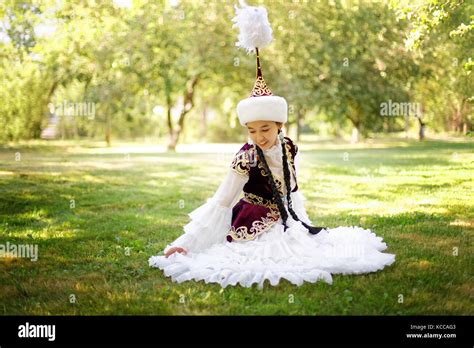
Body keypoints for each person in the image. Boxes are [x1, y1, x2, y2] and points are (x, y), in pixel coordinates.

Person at [148, 1, 395, 288]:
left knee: (307, 249)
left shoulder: (288, 147)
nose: (259, 136)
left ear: (279, 125)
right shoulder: (246, 157)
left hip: (285, 220)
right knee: (265, 257)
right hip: (253, 223)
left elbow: (292, 192)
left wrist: (299, 223)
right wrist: (186, 242)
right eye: (252, 130)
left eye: (265, 128)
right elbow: (222, 200)